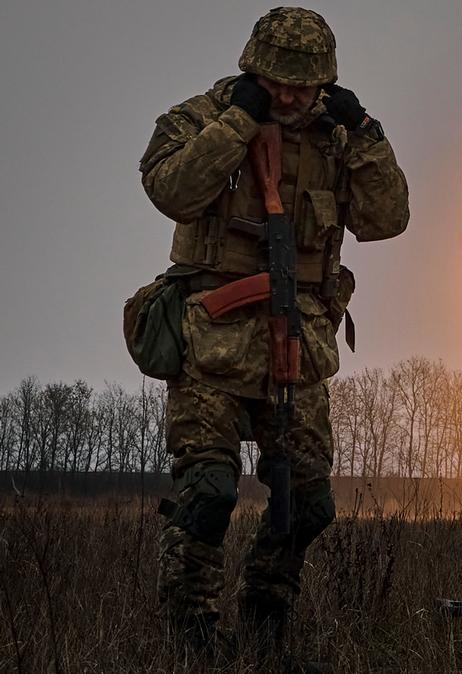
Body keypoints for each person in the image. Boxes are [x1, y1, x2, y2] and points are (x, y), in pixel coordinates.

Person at [138, 6, 409, 654]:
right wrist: (238, 121)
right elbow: (171, 190)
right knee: (206, 494)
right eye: (278, 83)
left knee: (308, 504)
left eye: (304, 85)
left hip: (299, 344)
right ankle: (194, 639)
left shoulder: (339, 136)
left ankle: (264, 625)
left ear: (325, 82)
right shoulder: (202, 117)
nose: (290, 96)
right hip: (213, 344)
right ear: (253, 70)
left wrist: (366, 131)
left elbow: (386, 218)